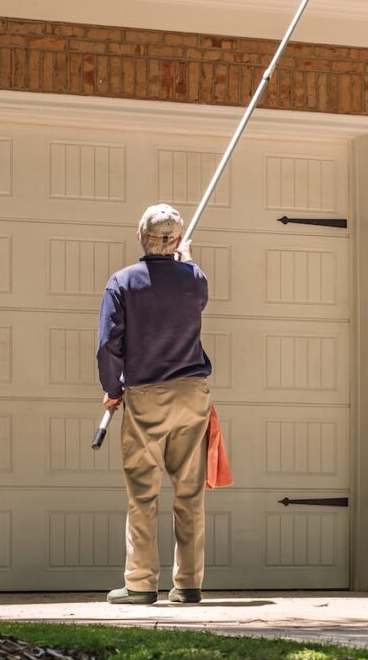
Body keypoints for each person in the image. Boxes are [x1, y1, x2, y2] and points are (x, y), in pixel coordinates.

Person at [97, 203, 213, 605]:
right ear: (179, 241)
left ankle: (141, 585)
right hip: (192, 393)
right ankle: (189, 584)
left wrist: (113, 389)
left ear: (138, 236)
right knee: (190, 491)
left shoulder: (122, 282)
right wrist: (187, 261)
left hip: (146, 396)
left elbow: (108, 345)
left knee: (143, 493)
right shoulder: (195, 279)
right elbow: (191, 292)